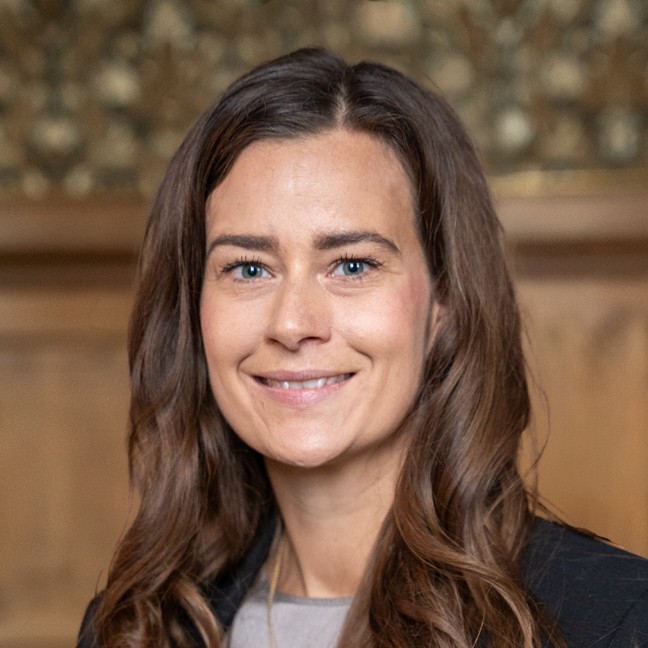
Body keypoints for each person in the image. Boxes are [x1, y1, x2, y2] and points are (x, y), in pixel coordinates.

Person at [77, 48, 648, 648]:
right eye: (248, 268)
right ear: (193, 308)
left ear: (445, 301)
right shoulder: (130, 627)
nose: (292, 324)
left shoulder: (618, 620)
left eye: (351, 264)